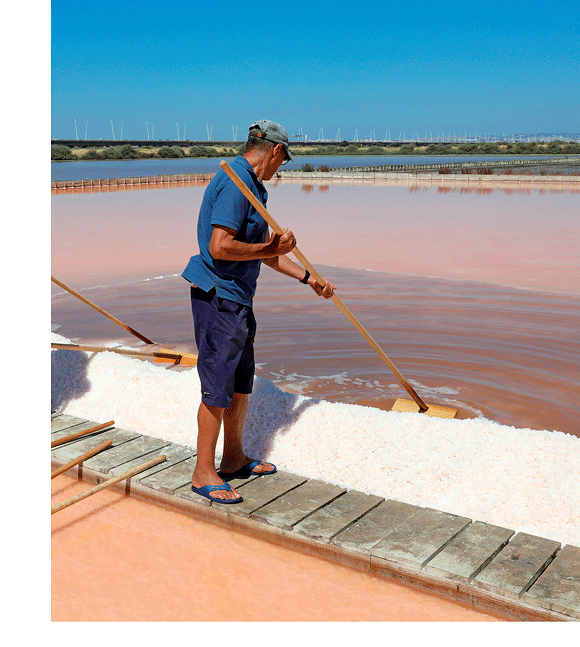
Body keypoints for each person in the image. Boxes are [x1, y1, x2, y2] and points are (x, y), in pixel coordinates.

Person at [181, 119, 336, 503]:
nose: (279, 170)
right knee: (217, 386)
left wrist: (307, 278)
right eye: (282, 163)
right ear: (277, 151)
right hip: (219, 296)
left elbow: (266, 252)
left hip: (239, 299)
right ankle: (203, 472)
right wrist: (272, 249)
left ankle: (233, 459)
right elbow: (219, 246)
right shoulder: (236, 184)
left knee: (239, 383)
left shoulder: (253, 187)